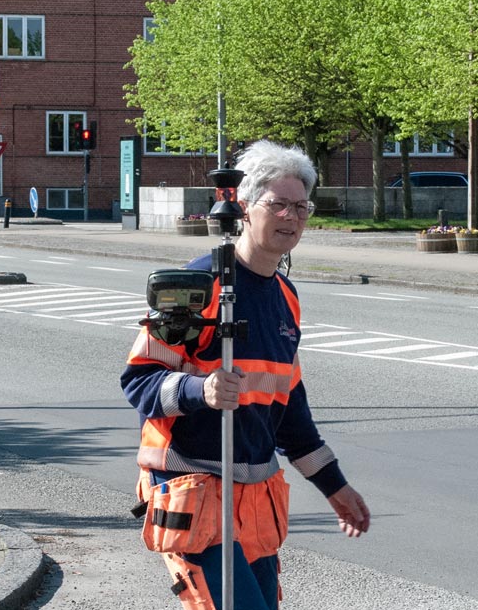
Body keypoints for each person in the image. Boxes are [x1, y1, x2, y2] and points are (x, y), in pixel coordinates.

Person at [122, 140, 369, 610]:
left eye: (302, 207)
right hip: (192, 494)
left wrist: (336, 488)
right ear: (244, 207)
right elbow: (138, 380)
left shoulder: (286, 298)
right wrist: (201, 390)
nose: (292, 217)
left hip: (253, 503)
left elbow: (290, 414)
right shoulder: (197, 287)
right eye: (278, 204)